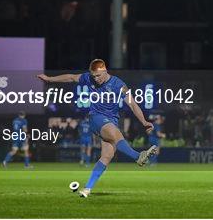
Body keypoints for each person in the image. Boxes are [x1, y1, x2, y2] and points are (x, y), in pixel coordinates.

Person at [37, 58, 157, 198]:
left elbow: (132, 104)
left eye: (98, 75)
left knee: (106, 156)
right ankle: (138, 156)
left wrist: (144, 121)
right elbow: (71, 77)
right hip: (96, 118)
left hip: (111, 120)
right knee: (116, 134)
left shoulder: (118, 84)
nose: (96, 78)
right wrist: (50, 80)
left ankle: (87, 188)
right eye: (93, 76)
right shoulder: (89, 78)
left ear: (105, 71)